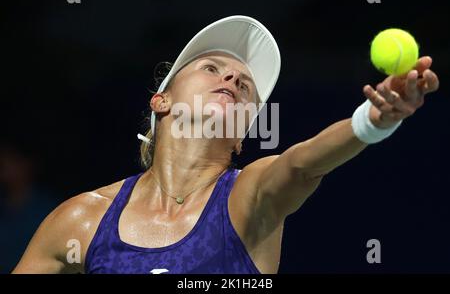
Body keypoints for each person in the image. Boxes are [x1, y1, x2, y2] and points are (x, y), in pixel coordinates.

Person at [12, 16, 439, 274]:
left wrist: (375, 121)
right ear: (162, 100)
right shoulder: (79, 221)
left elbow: (302, 164)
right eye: (212, 67)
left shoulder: (247, 197)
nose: (232, 80)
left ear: (240, 135)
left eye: (245, 85)